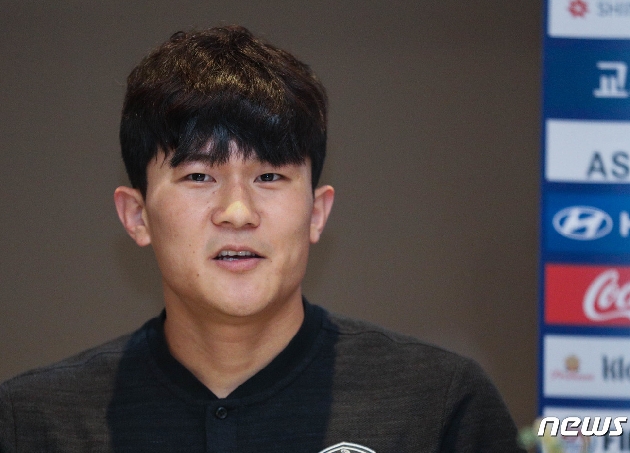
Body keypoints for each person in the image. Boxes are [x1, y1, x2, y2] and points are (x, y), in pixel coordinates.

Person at [0, 25, 523, 452]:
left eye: (269, 176)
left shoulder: (437, 407)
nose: (237, 212)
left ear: (317, 212)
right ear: (137, 216)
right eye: (199, 176)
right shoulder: (34, 422)